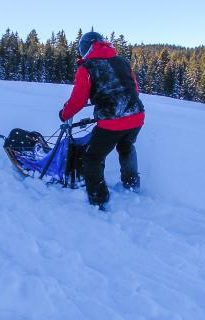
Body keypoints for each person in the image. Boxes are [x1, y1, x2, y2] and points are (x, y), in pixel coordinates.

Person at [58, 31, 145, 208]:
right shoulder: (122, 62)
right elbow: (134, 89)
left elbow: (79, 99)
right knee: (126, 147)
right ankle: (131, 184)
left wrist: (64, 114)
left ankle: (98, 199)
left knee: (93, 158)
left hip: (112, 121)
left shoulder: (87, 67)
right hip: (137, 116)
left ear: (86, 48)